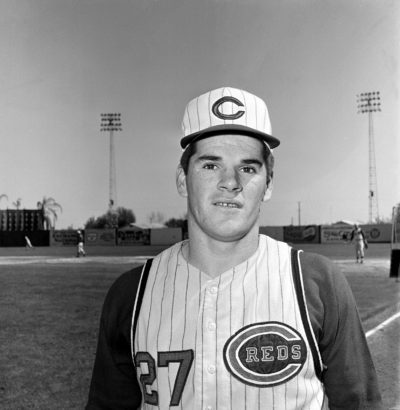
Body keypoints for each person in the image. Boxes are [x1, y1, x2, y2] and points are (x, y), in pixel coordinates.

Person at [86, 87, 382, 409]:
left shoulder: (318, 283)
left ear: (268, 184)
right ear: (182, 180)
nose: (231, 181)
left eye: (248, 168)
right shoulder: (130, 295)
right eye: (211, 165)